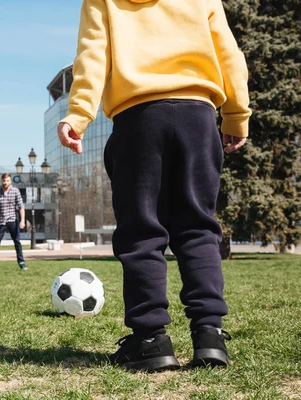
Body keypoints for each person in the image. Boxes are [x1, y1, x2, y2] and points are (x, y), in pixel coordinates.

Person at [58, 0, 251, 372]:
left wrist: (79, 114)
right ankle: (209, 334)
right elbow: (229, 52)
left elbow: (92, 56)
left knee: (142, 232)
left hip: (139, 119)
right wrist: (236, 115)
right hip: (198, 115)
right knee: (198, 227)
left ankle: (150, 340)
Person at [0, 173, 27, 271]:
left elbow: (21, 206)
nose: (6, 183)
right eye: (4, 181)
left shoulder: (15, 191)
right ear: (2, 181)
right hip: (1, 221)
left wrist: (22, 220)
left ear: (10, 181)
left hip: (12, 220)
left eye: (8, 181)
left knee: (17, 241)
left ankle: (21, 262)